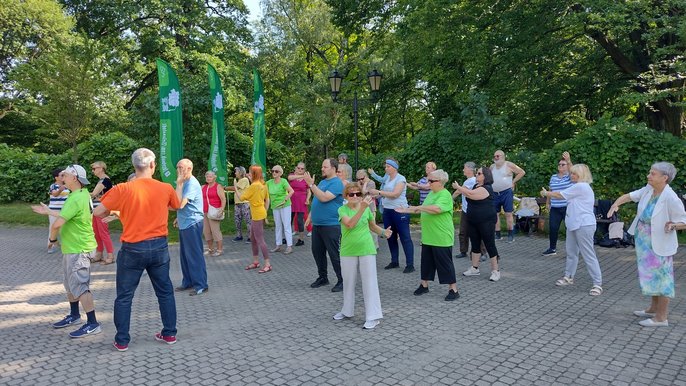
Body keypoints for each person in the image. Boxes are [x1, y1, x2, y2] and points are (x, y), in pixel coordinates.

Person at [94, 148, 181, 351]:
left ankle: (122, 340)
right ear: (152, 165)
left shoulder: (123, 189)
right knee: (165, 292)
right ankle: (169, 334)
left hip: (133, 248)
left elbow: (98, 212)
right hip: (159, 246)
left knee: (124, 296)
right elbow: (176, 205)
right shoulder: (165, 187)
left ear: (134, 166)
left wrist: (119, 209)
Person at [609, 162, 686, 327]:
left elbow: (683, 220)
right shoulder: (649, 189)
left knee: (663, 279)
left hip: (660, 242)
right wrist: (616, 203)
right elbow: (629, 196)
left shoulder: (670, 197)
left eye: (652, 174)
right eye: (649, 172)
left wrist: (673, 225)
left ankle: (661, 318)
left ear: (664, 178)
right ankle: (652, 308)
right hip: (645, 241)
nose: (648, 176)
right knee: (651, 276)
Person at [31, 165, 100, 338]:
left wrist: (52, 240)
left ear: (75, 178)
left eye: (66, 175)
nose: (62, 177)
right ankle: (74, 315)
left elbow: (57, 224)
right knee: (70, 284)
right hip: (72, 247)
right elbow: (66, 216)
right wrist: (48, 211)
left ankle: (93, 323)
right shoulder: (79, 194)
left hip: (79, 248)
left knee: (81, 286)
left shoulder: (76, 198)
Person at [334, 183, 392, 329]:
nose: (355, 197)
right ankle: (347, 311)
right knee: (348, 282)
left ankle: (373, 316)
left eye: (358, 194)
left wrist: (383, 232)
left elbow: (371, 225)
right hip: (348, 250)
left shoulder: (365, 209)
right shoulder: (342, 209)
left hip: (366, 248)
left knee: (369, 282)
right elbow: (350, 224)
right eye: (351, 194)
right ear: (346, 196)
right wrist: (362, 208)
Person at [397, 170, 460, 301]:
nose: (428, 183)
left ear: (440, 182)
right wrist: (406, 209)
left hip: (441, 237)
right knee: (426, 262)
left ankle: (453, 289)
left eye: (431, 181)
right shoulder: (431, 193)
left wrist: (418, 207)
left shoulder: (445, 195)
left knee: (445, 264)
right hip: (428, 236)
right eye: (428, 180)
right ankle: (424, 285)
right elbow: (422, 208)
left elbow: (436, 209)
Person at [541, 164, 603, 296]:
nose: (571, 175)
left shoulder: (581, 186)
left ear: (581, 175)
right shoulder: (576, 186)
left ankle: (597, 283)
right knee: (571, 252)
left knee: (588, 254)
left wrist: (547, 193)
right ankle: (568, 276)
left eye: (574, 174)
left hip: (584, 225)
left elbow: (559, 195)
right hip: (574, 224)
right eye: (572, 173)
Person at [454, 167, 502, 281]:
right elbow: (470, 195)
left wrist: (459, 188)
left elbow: (470, 194)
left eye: (479, 173)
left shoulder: (487, 188)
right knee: (475, 243)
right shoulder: (476, 186)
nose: (476, 175)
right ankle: (474, 268)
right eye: (476, 173)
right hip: (473, 220)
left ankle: (495, 271)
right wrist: (463, 191)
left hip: (486, 221)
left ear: (485, 176)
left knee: (489, 244)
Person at [304, 158, 345, 292]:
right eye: (322, 167)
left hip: (331, 225)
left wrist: (311, 185)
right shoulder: (322, 182)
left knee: (334, 254)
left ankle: (342, 280)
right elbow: (316, 200)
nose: (322, 169)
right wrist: (310, 216)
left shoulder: (337, 183)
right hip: (318, 225)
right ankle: (323, 277)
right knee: (317, 252)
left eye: (325, 167)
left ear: (333, 168)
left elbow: (324, 198)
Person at [369, 158, 415, 273]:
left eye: (388, 166)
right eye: (386, 166)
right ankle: (394, 261)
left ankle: (410, 264)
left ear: (394, 167)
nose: (386, 168)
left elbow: (395, 194)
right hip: (388, 211)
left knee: (405, 237)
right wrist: (372, 195)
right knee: (390, 236)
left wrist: (378, 192)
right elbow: (383, 193)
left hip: (400, 211)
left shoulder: (401, 179)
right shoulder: (387, 178)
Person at [174, 159, 208, 296]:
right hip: (185, 222)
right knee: (184, 255)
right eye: (178, 167)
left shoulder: (191, 183)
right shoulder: (184, 182)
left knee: (194, 255)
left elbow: (179, 204)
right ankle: (188, 281)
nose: (178, 170)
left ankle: (201, 285)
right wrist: (178, 217)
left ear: (189, 168)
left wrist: (179, 183)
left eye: (181, 167)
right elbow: (181, 206)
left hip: (192, 223)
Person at [237, 165, 272, 273]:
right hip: (259, 212)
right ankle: (256, 261)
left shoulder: (254, 186)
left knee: (260, 240)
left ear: (254, 174)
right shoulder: (263, 184)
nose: (248, 173)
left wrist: (235, 187)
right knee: (253, 238)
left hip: (257, 215)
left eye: (250, 172)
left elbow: (241, 198)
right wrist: (265, 212)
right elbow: (267, 200)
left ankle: (267, 264)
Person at [490, 150, 526, 243]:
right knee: (495, 214)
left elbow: (522, 172)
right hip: (494, 193)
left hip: (506, 192)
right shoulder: (492, 167)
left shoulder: (509, 164)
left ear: (503, 156)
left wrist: (513, 182)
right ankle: (497, 234)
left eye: (497, 156)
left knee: (508, 213)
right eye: (494, 156)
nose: (495, 158)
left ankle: (511, 234)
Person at [542, 152, 573, 256]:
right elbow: (550, 191)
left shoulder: (570, 176)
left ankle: (573, 250)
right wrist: (547, 203)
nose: (560, 166)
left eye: (563, 164)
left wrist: (568, 160)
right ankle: (552, 248)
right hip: (555, 207)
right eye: (559, 164)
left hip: (566, 207)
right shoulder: (553, 177)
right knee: (553, 228)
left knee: (570, 229)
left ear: (567, 166)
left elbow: (574, 170)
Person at [452, 162, 485, 259]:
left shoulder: (471, 181)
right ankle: (464, 251)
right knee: (463, 232)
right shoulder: (471, 180)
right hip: (466, 210)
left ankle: (481, 252)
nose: (463, 170)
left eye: (464, 168)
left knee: (471, 232)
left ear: (470, 170)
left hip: (472, 211)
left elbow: (459, 191)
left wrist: (450, 198)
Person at [90, 161, 115, 264]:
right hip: (97, 210)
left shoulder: (104, 180)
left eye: (94, 168)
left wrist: (78, 193)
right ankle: (99, 254)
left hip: (102, 210)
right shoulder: (101, 180)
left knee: (103, 233)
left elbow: (93, 194)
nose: (93, 171)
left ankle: (110, 255)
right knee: (97, 233)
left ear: (101, 168)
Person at [267, 165, 294, 254]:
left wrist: (285, 199)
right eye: (273, 171)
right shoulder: (269, 182)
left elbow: (291, 191)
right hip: (275, 207)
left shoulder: (283, 181)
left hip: (285, 206)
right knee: (278, 226)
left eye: (276, 171)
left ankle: (289, 246)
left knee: (286, 225)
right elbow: (260, 187)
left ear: (280, 173)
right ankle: (278, 245)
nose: (274, 173)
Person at [202, 171, 226, 257]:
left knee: (215, 231)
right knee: (206, 231)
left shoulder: (218, 186)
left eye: (210, 176)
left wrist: (222, 209)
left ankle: (219, 250)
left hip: (214, 211)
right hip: (205, 211)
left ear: (214, 177)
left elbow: (223, 199)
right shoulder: (203, 187)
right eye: (207, 176)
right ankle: (210, 249)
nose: (208, 178)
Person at [288, 162, 312, 246]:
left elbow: (309, 192)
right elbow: (289, 178)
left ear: (304, 170)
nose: (300, 170)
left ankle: (301, 239)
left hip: (301, 201)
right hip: (291, 201)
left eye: (302, 169)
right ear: (295, 168)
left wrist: (308, 199)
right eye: (298, 168)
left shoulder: (306, 180)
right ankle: (287, 238)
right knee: (289, 220)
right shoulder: (292, 176)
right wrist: (302, 175)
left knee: (299, 220)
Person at [225, 166, 251, 243]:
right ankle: (239, 236)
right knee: (237, 220)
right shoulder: (238, 180)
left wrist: (224, 188)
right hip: (237, 203)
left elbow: (234, 188)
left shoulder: (245, 180)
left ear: (240, 172)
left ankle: (250, 237)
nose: (235, 173)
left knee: (247, 220)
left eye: (236, 171)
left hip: (245, 203)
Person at [47, 168, 70, 254]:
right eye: (61, 175)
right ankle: (50, 245)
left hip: (65, 210)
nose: (64, 176)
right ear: (56, 177)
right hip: (54, 210)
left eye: (64, 175)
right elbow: (54, 194)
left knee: (65, 229)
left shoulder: (67, 186)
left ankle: (66, 245)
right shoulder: (53, 186)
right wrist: (60, 189)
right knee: (53, 227)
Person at [357, 169, 379, 248]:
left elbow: (363, 192)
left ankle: (375, 245)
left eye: (362, 179)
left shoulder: (371, 183)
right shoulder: (361, 183)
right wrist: (360, 184)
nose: (360, 181)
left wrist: (365, 184)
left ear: (366, 176)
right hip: (362, 207)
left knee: (372, 226)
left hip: (370, 207)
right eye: (358, 179)